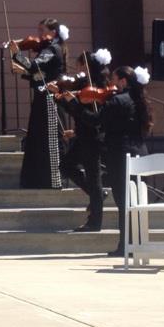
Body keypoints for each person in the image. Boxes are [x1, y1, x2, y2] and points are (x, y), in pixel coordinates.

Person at [61, 65, 152, 255]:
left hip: (121, 155)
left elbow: (95, 120)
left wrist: (75, 104)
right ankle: (135, 244)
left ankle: (125, 246)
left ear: (123, 81)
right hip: (140, 153)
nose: (111, 83)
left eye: (114, 79)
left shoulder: (118, 100)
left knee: (123, 201)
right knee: (135, 201)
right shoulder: (140, 99)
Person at [52, 49, 112, 231]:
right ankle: (97, 195)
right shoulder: (87, 85)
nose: (79, 70)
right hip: (84, 136)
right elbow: (76, 111)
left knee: (94, 178)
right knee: (66, 166)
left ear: (88, 66)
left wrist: (66, 99)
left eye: (81, 66)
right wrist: (60, 98)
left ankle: (95, 221)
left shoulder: (96, 87)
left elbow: (87, 116)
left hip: (92, 138)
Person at [8, 18, 68, 189]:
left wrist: (17, 54)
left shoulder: (52, 49)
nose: (39, 34)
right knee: (38, 138)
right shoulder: (48, 48)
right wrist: (24, 71)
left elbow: (35, 66)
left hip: (50, 99)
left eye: (42, 30)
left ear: (53, 32)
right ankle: (39, 179)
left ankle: (54, 179)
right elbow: (41, 76)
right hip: (42, 97)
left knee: (51, 138)